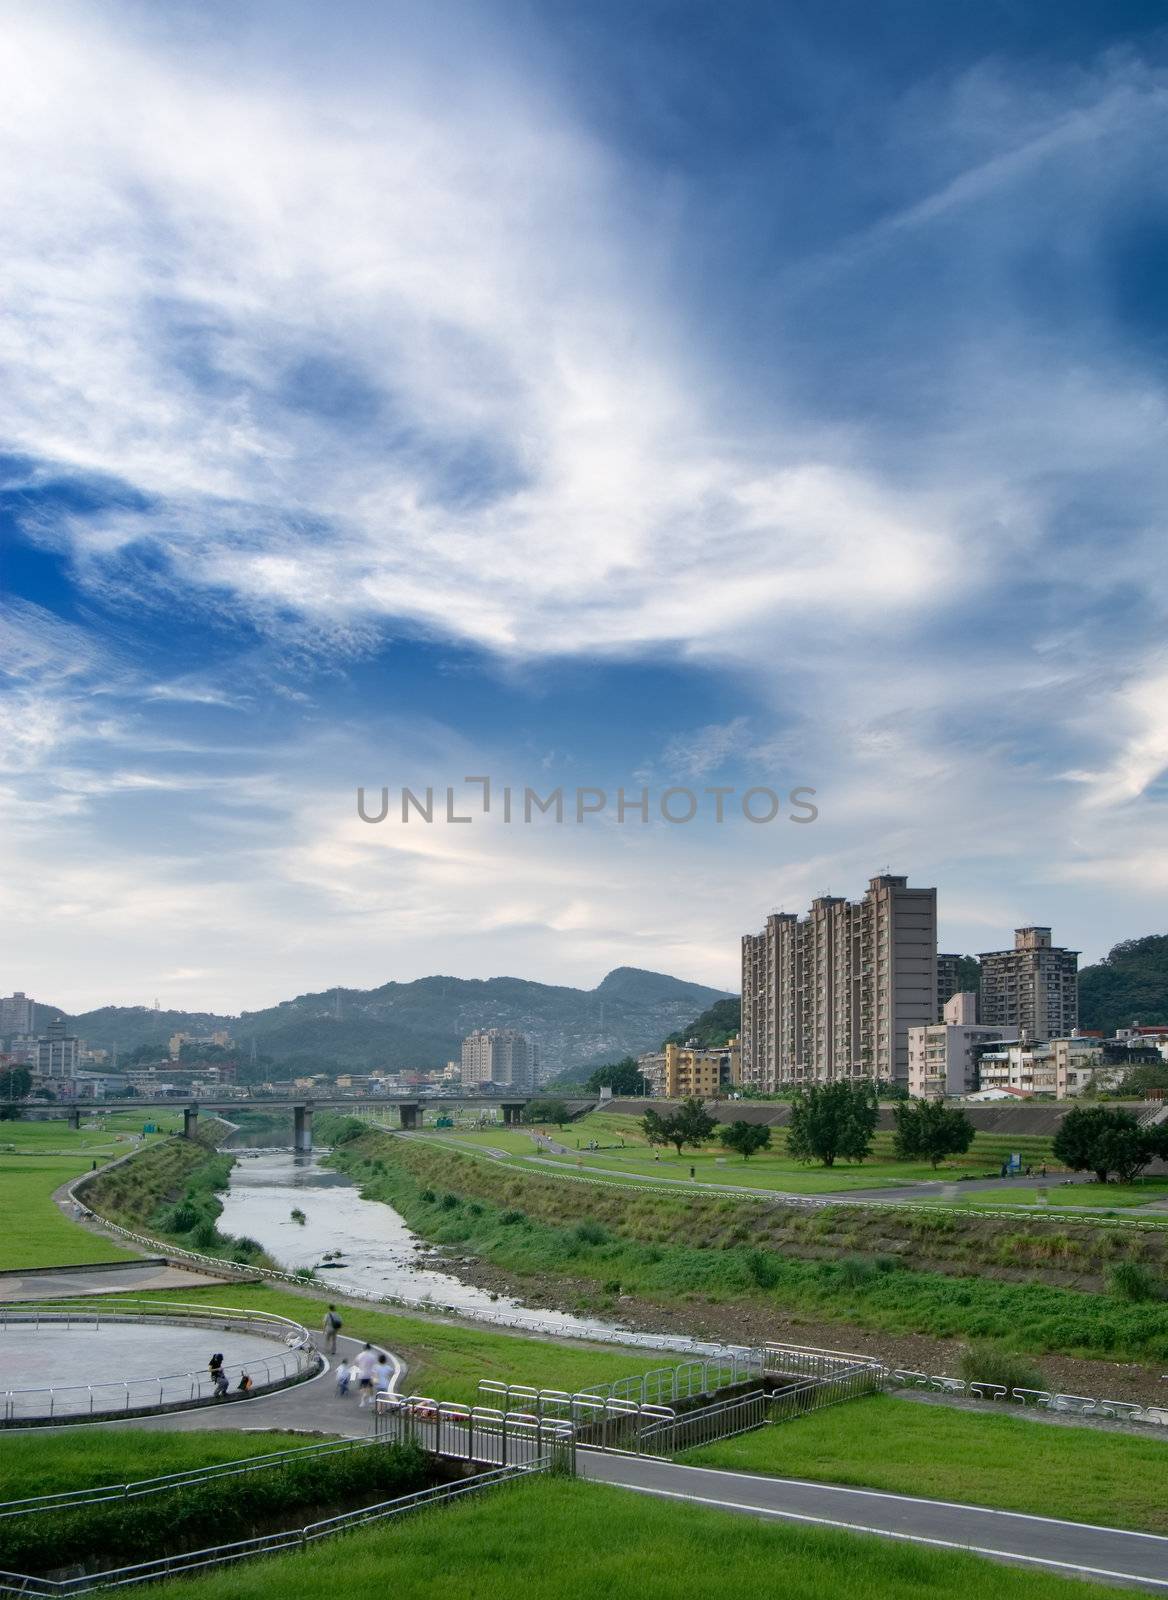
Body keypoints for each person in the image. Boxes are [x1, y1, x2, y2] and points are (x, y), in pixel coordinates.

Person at [353, 1341, 378, 1407]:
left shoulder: (360, 1355)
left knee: (363, 1389)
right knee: (370, 1387)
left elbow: (355, 1362)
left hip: (362, 1375)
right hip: (370, 1374)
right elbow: (374, 1364)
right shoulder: (372, 1356)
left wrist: (360, 1366)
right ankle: (371, 1398)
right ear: (369, 1348)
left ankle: (363, 1401)